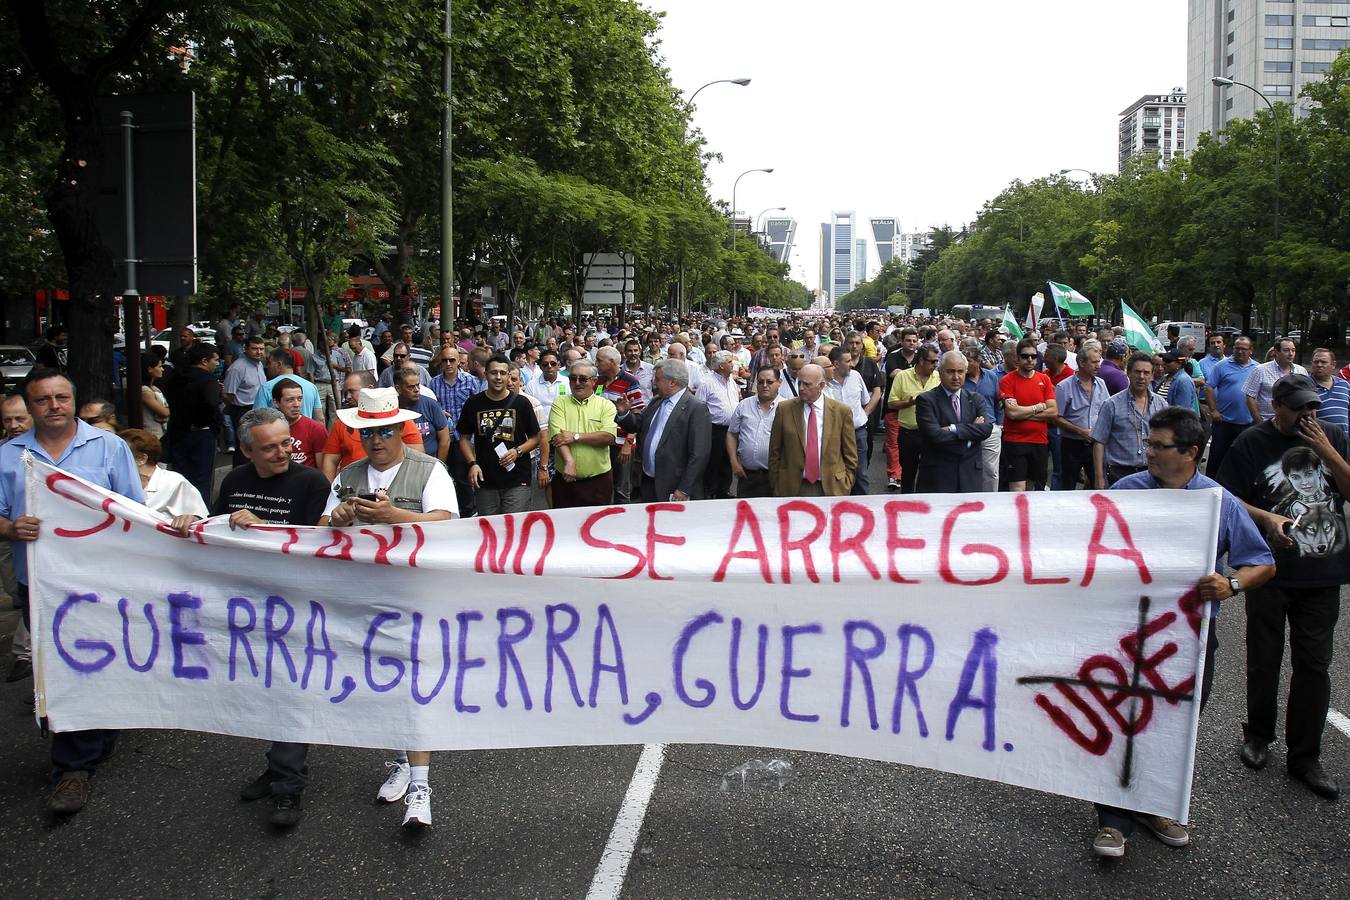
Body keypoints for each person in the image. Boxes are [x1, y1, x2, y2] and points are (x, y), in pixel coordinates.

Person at [1088, 407, 1276, 857]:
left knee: (1175, 721)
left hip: (1187, 637)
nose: (1147, 452)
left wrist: (1230, 583)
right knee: (1122, 717)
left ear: (1191, 452)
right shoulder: (1126, 492)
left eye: (1158, 446)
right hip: (1126, 633)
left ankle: (1156, 804)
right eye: (1149, 443)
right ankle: (1114, 821)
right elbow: (1092, 549)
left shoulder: (1218, 501)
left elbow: (1262, 563)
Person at [170, 408, 330, 827]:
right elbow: (219, 528)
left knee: (290, 692)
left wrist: (263, 529)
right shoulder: (235, 480)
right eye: (270, 447)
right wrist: (194, 524)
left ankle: (288, 788)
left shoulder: (311, 482)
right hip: (244, 606)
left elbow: (315, 547)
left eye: (286, 443)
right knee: (264, 692)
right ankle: (278, 766)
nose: (283, 452)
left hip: (293, 605)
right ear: (245, 450)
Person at [0, 368, 143, 814]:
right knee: (59, 666)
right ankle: (72, 768)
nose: (53, 406)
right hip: (41, 581)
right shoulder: (8, 457)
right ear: (30, 405)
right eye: (43, 400)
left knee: (100, 659)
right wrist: (10, 527)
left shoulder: (109, 447)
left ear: (73, 400)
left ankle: (95, 730)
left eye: (61, 397)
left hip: (100, 578)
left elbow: (133, 509)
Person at [318, 390, 455, 828]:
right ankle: (399, 760)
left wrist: (395, 515)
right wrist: (337, 518)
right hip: (366, 596)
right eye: (366, 432)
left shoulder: (429, 469)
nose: (375, 440)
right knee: (384, 683)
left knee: (416, 685)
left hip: (416, 594)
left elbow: (449, 523)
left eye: (384, 431)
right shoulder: (348, 474)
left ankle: (420, 784)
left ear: (401, 429)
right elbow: (321, 527)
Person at [1218, 374, 1349, 801]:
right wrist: (1267, 520)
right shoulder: (1251, 443)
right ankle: (1258, 734)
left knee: (1314, 665)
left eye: (1312, 407)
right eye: (1298, 409)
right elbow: (1228, 498)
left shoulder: (1332, 435)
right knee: (1264, 656)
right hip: (1269, 570)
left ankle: (1306, 757)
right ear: (1277, 406)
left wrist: (1325, 450)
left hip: (1323, 572)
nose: (1308, 416)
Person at [613, 358, 710, 503]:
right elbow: (636, 425)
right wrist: (624, 414)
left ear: (672, 382)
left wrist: (684, 489)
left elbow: (699, 455)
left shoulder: (696, 408)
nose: (654, 383)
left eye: (657, 379)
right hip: (648, 482)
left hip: (674, 486)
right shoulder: (656, 401)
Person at [456, 355, 540, 514]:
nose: (498, 377)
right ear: (486, 374)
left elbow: (536, 438)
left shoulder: (521, 403)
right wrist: (472, 463)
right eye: (494, 372)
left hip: (517, 478)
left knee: (513, 528)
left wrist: (518, 451)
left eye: (503, 373)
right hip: (485, 480)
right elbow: (464, 438)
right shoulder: (473, 403)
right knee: (490, 530)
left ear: (509, 376)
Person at [768, 363, 857, 497]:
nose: (801, 388)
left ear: (821, 386)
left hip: (832, 488)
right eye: (799, 383)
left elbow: (850, 454)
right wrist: (776, 483)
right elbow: (775, 451)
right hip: (791, 488)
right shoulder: (784, 409)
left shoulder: (841, 412)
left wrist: (847, 483)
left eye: (807, 384)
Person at [914, 350, 993, 493]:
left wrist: (953, 429)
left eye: (960, 372)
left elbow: (986, 429)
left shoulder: (976, 399)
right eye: (950, 372)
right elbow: (935, 436)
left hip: (970, 476)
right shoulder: (926, 400)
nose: (956, 377)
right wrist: (971, 434)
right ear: (940, 371)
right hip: (938, 476)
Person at [319, 372, 423, 480]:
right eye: (365, 432)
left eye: (385, 431)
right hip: (352, 486)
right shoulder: (341, 424)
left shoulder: (402, 422)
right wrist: (330, 490)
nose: (347, 397)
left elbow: (416, 459)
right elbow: (330, 461)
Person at [548, 359, 619, 508]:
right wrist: (569, 461)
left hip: (598, 482)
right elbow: (557, 437)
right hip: (565, 480)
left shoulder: (606, 405)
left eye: (583, 379)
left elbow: (608, 437)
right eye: (573, 378)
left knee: (597, 527)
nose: (577, 382)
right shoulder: (559, 403)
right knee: (565, 526)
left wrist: (575, 436)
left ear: (594, 381)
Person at [1092, 353, 1168, 487]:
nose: (1141, 377)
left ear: (1151, 376)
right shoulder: (1112, 404)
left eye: (1146, 373)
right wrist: (1099, 478)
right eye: (1137, 372)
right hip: (1120, 473)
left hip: (1152, 474)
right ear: (1128, 373)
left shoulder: (1161, 404)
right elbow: (1099, 442)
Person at [1, 394, 33, 683]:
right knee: (21, 596)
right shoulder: (3, 455)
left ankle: (24, 655)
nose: (14, 424)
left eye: (19, 418)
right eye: (8, 420)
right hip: (18, 552)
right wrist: (10, 529)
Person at [165, 343, 223, 504]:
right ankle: (200, 514)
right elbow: (211, 404)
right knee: (202, 479)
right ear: (204, 361)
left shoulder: (175, 378)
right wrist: (204, 422)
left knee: (180, 477)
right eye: (215, 360)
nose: (217, 363)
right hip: (202, 434)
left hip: (178, 432)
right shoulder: (208, 381)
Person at [999, 338, 1058, 492]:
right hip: (1015, 441)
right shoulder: (1007, 380)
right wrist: (1039, 407)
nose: (1030, 359)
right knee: (1017, 487)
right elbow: (1011, 413)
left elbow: (1053, 412)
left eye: (1033, 356)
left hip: (1039, 441)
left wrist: (1022, 413)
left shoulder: (1044, 379)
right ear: (1017, 358)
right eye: (1025, 356)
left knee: (1031, 487)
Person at [1053, 344, 1107, 490]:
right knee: (1068, 486)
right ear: (1082, 363)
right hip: (1072, 445)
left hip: (1096, 445)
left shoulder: (1101, 384)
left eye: (1099, 362)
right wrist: (1080, 431)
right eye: (1094, 362)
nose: (1098, 366)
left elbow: (1106, 412)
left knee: (1099, 484)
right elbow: (1056, 417)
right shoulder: (1064, 387)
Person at [121, 428, 208, 517]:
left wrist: (192, 519)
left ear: (141, 459)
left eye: (119, 455)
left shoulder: (175, 483)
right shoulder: (115, 484)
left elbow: (201, 522)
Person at [888, 345, 939, 493]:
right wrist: (908, 403)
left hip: (931, 434)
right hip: (908, 434)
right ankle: (907, 504)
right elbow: (891, 403)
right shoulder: (902, 376)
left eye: (937, 361)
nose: (936, 365)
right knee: (909, 474)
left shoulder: (938, 377)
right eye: (932, 362)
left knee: (930, 473)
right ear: (921, 361)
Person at [1206, 336, 1258, 477]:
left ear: (1251, 350)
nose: (1240, 351)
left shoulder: (1258, 368)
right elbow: (1209, 387)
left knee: (1244, 459)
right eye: (1237, 348)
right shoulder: (1222, 366)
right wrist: (1213, 410)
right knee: (1217, 457)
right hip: (1224, 422)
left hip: (1248, 423)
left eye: (1244, 349)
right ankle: (1212, 484)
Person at [728, 366, 781, 499]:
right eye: (760, 381)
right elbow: (732, 434)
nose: (764, 385)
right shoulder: (744, 405)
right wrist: (734, 462)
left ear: (779, 382)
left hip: (775, 478)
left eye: (769, 382)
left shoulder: (786, 407)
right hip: (747, 476)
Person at [701, 350, 741, 500]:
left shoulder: (731, 381)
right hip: (714, 430)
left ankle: (724, 490)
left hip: (731, 429)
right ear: (721, 365)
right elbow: (701, 407)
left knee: (728, 460)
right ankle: (710, 491)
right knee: (714, 461)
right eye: (729, 362)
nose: (733, 364)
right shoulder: (707, 383)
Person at [222, 337, 267, 467]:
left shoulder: (259, 364)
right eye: (255, 349)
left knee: (257, 443)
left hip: (258, 409)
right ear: (245, 349)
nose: (259, 352)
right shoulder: (237, 368)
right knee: (244, 445)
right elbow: (228, 394)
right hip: (242, 410)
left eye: (261, 349)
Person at [1244, 337, 1307, 423]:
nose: (1291, 353)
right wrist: (1259, 421)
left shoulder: (1301, 371)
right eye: (1286, 350)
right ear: (1276, 352)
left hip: (1294, 423)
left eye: (1293, 350)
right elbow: (1250, 396)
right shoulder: (1260, 370)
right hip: (1267, 422)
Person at [271, 380, 328, 468]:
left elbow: (325, 470)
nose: (297, 404)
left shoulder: (316, 429)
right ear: (276, 402)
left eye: (299, 399)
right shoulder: (269, 429)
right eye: (290, 400)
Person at [1307, 348, 1350, 432]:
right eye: (1316, 362)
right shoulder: (1304, 385)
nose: (1319, 365)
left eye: (1323, 362)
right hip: (1316, 440)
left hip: (1343, 441)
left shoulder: (1344, 385)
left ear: (1333, 365)